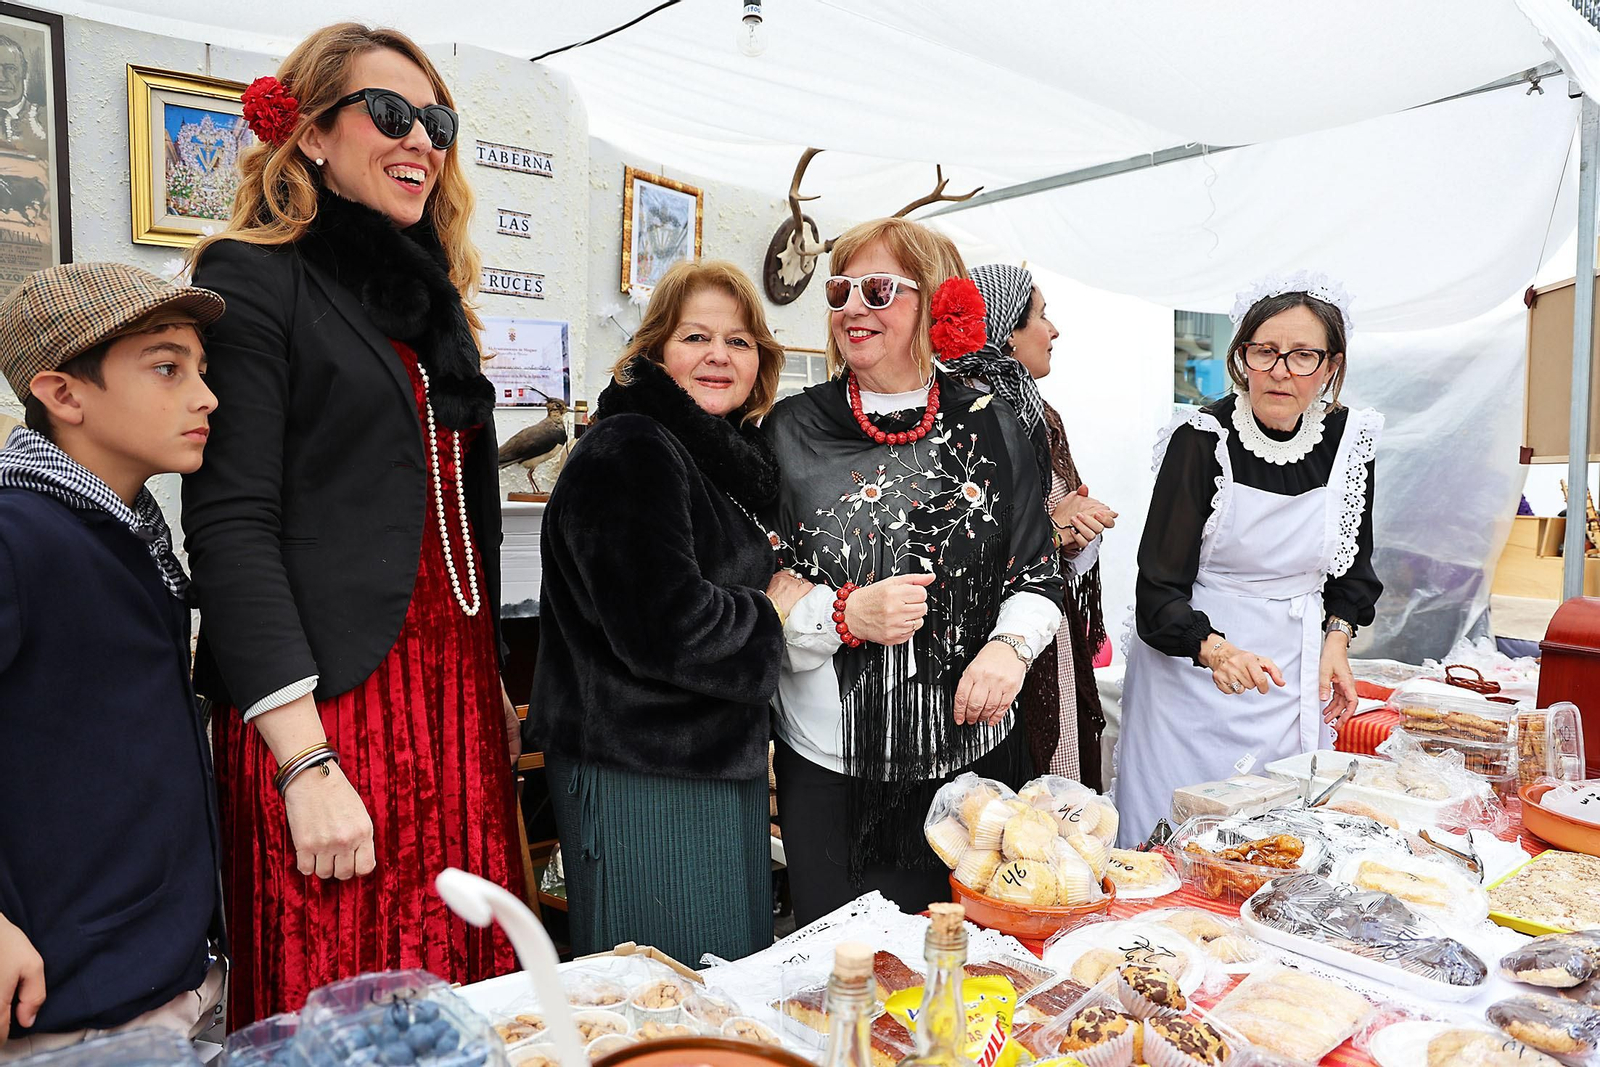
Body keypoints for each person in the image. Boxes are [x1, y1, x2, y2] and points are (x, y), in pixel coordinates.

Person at [181, 24, 521, 1024]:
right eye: (389, 112)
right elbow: (232, 524)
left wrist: (490, 676)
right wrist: (304, 759)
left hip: (450, 696)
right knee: (347, 1001)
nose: (421, 137)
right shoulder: (254, 274)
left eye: (438, 120)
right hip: (335, 705)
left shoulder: (426, 301)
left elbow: (460, 514)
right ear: (313, 133)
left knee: (464, 988)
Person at [764, 218, 1064, 924]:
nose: (851, 310)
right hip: (834, 769)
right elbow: (761, 590)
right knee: (845, 982)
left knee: (978, 978)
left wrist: (1009, 647)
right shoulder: (789, 431)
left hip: (976, 770)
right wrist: (842, 616)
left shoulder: (993, 423)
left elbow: (1039, 571)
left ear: (937, 302)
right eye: (840, 291)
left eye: (877, 290)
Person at [529, 259, 805, 963]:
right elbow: (663, 624)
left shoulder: (709, 458)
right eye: (696, 337)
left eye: (740, 341)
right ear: (654, 351)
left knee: (713, 989)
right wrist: (767, 617)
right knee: (660, 997)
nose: (719, 354)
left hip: (705, 769)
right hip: (641, 778)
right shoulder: (633, 448)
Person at [0, 263, 225, 1057]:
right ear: (63, 394)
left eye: (201, 369)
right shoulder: (19, 534)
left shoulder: (128, 539)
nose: (205, 396)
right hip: (75, 1005)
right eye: (167, 368)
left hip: (176, 975)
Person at [1114, 273, 1383, 847]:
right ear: (1242, 357)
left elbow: (1351, 566)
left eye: (1303, 355)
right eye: (1265, 351)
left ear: (1331, 366)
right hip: (1191, 670)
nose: (1281, 370)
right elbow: (1158, 588)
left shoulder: (1350, 439)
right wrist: (1215, 650)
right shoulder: (1201, 436)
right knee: (1173, 836)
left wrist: (1336, 644)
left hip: (1292, 666)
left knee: (1275, 839)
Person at [956, 264, 1115, 787]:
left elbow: (1058, 518)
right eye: (1042, 315)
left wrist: (1074, 527)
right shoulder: (963, 414)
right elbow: (962, 533)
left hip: (1042, 618)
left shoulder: (1036, 411)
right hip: (983, 635)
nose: (1054, 330)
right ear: (1005, 328)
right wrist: (1053, 524)